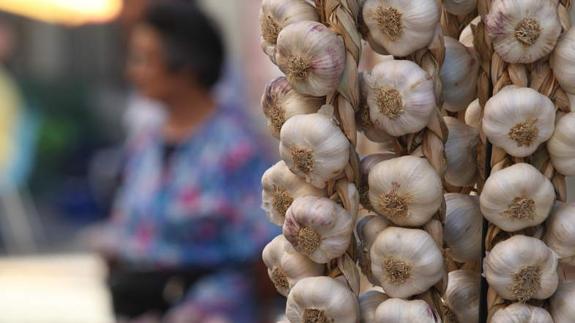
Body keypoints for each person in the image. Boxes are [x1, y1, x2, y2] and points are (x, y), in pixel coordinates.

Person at [98, 2, 276, 322]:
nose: (132, 72)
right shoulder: (145, 142)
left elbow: (264, 258)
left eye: (144, 59)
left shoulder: (235, 148)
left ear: (186, 64)